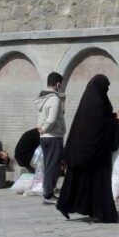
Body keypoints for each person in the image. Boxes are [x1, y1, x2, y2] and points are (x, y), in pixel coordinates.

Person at [57, 75, 119, 222]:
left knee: (80, 181)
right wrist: (116, 121)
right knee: (97, 183)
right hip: (95, 153)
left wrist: (113, 117)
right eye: (105, 87)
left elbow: (101, 119)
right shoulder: (96, 104)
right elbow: (99, 127)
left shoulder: (91, 102)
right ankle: (104, 213)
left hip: (84, 152)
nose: (106, 90)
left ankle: (67, 205)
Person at [35, 72, 66, 205]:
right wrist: (45, 128)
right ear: (58, 84)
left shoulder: (42, 98)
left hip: (45, 137)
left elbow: (43, 116)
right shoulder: (54, 99)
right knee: (52, 166)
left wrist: (42, 128)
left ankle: (48, 191)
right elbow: (52, 119)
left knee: (50, 165)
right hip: (53, 136)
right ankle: (48, 194)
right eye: (61, 84)